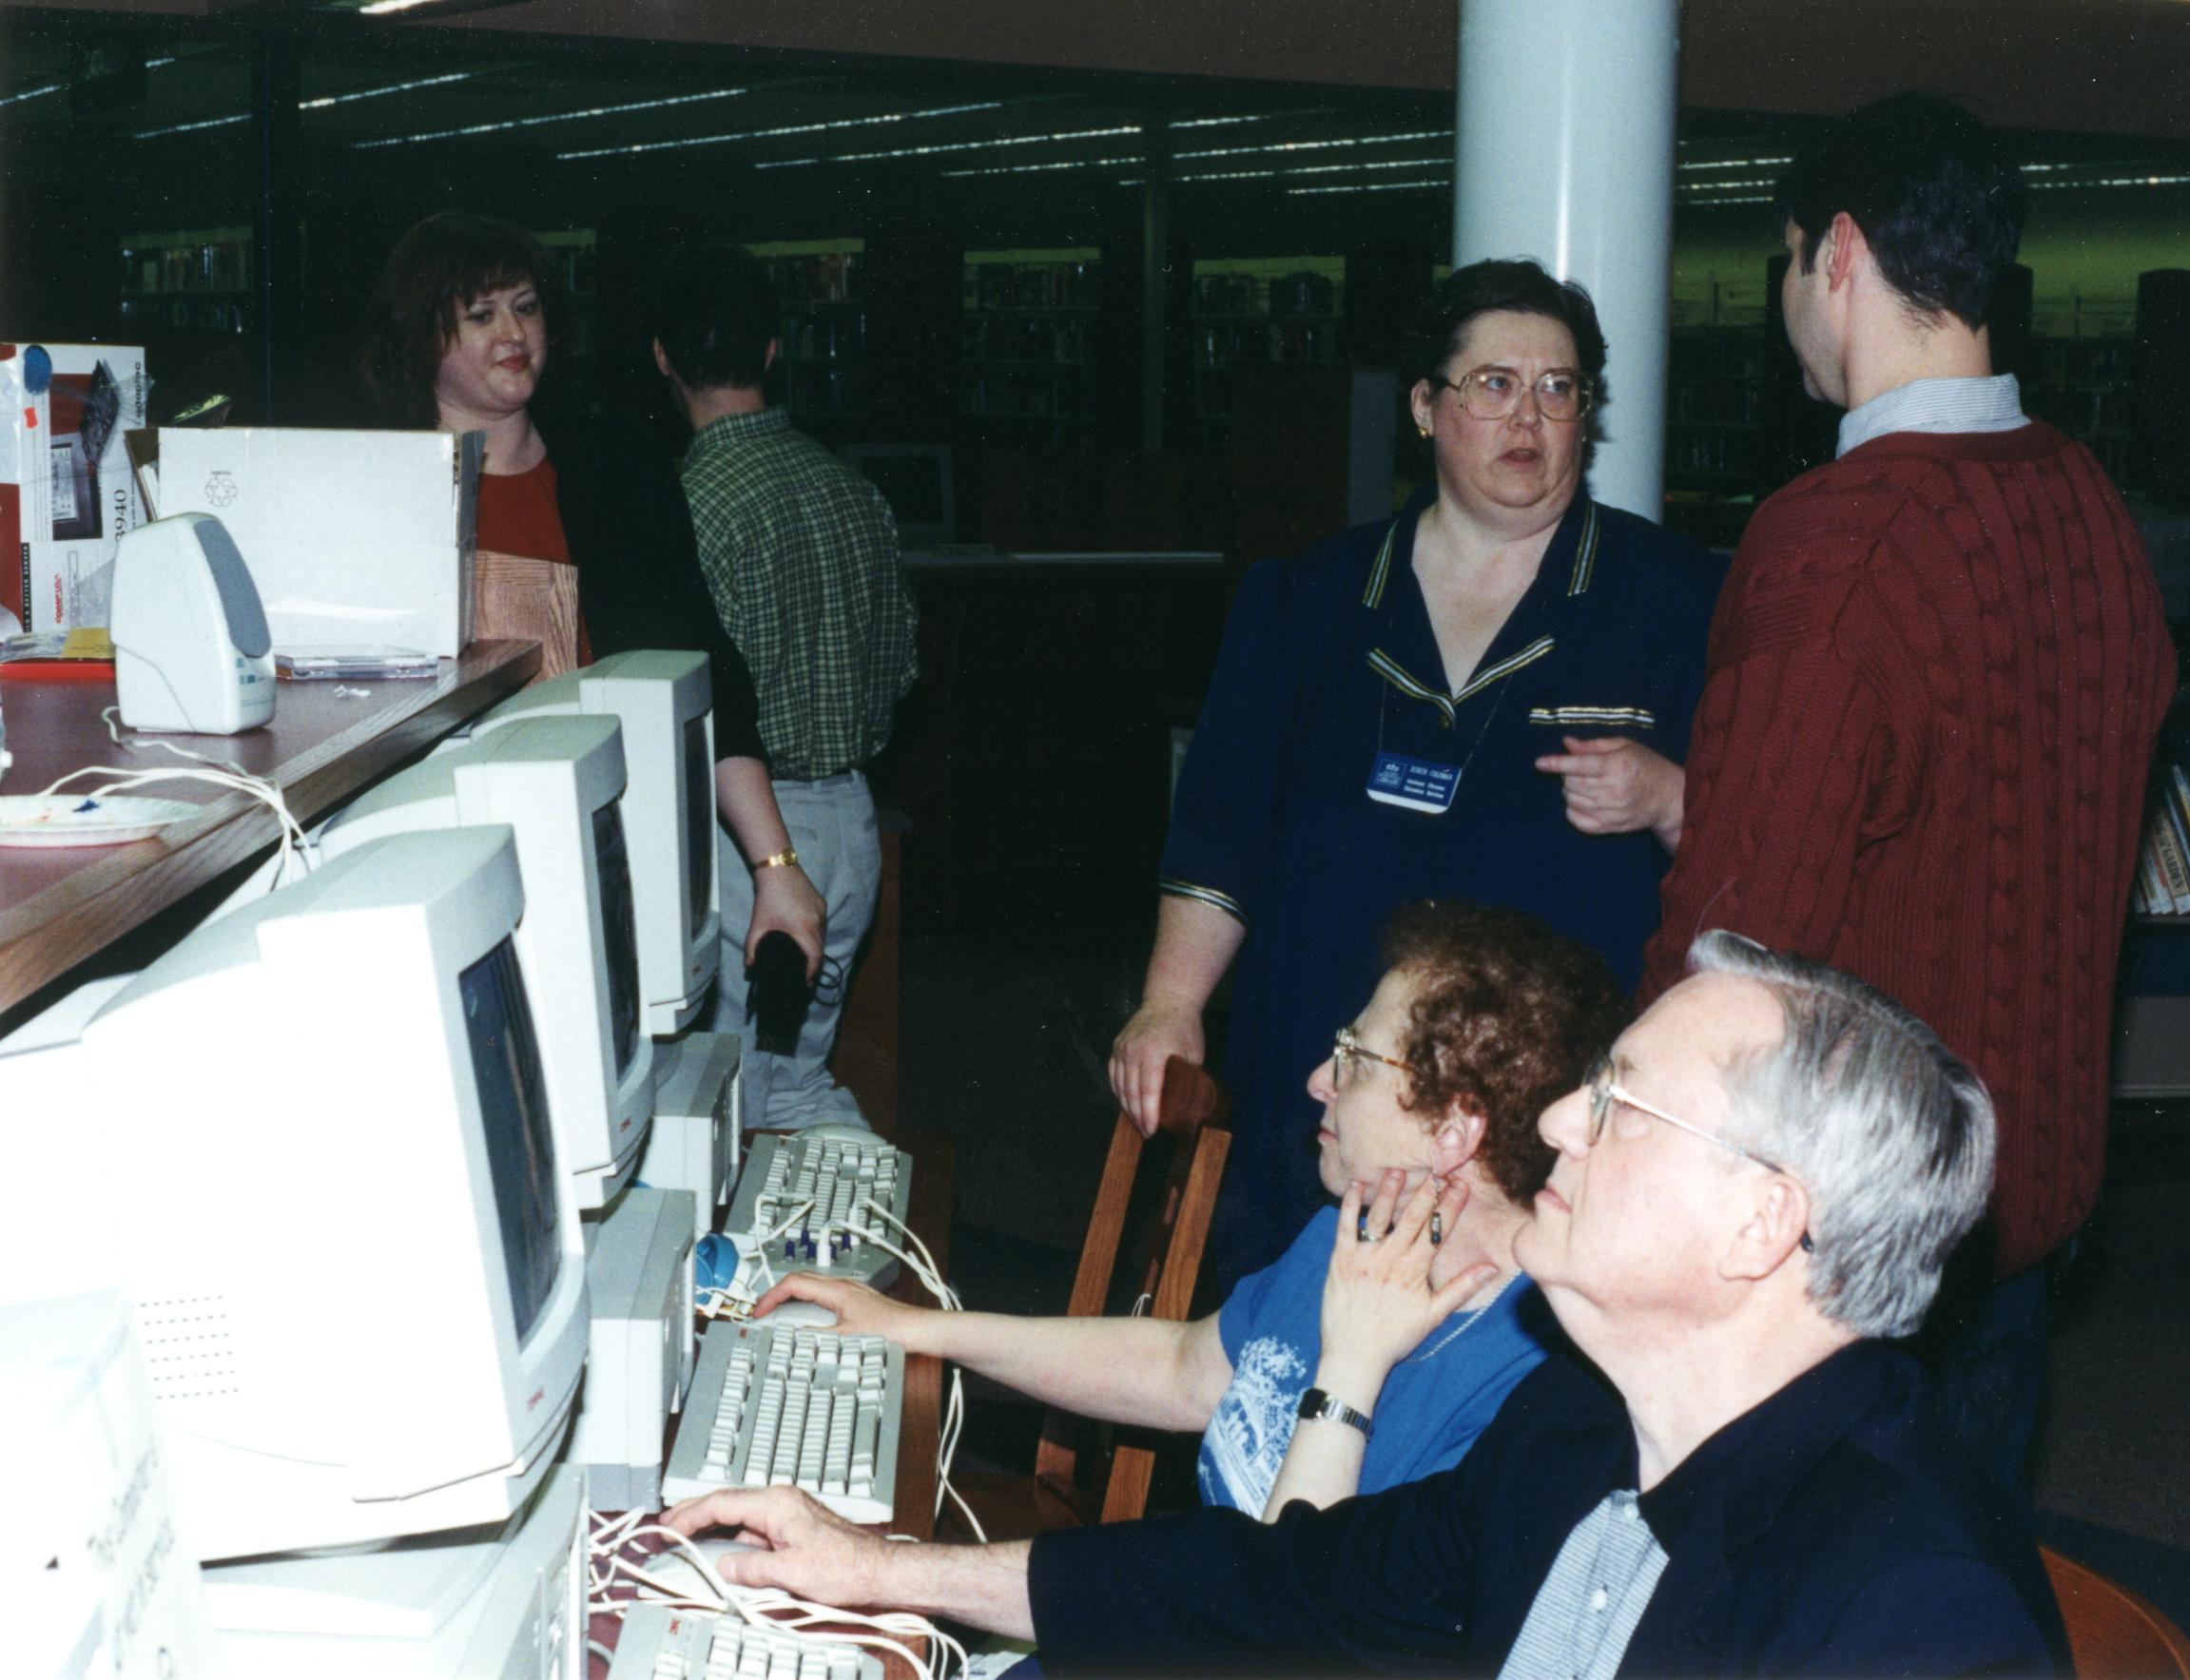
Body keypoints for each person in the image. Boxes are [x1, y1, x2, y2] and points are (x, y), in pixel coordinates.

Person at [664, 931, 2066, 1676]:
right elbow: (1283, 1583)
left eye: (1625, 1103)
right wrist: (878, 1567)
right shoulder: (1585, 1435)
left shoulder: (1917, 1608)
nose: (1565, 1115)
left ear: (1765, 1219)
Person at [1638, 93, 2178, 1487]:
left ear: (1837, 253)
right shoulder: (2090, 507)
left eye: (1783, 262)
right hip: (2021, 1203)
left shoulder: (1838, 536)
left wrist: (1617, 1136)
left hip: (1846, 1238)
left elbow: (1735, 937)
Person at [1113, 259, 1724, 1286]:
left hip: (1544, 1101)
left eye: (1558, 389)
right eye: (1492, 384)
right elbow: (1220, 830)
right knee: (1286, 1349)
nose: (1528, 416)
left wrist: (1670, 797)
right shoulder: (1305, 601)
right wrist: (1169, 1002)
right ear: (1423, 407)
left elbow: (1760, 834)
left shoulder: (1679, 601)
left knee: (1504, 1392)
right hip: (1319, 1070)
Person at [750, 901, 1626, 1517]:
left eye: (1355, 1061)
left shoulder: (1526, 1395)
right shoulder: (1360, 1233)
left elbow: (1289, 1630)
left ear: (1454, 1130)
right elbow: (1178, 1368)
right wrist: (918, 1327)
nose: (1319, 1081)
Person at [360, 212, 826, 982]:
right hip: (435, 859)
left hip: (610, 844)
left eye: (527, 305)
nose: (514, 331)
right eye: (481, 315)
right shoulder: (374, 486)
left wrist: (775, 863)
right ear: (420, 339)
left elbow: (705, 663)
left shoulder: (617, 468)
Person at [649, 249, 921, 1132]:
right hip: (850, 819)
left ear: (662, 357)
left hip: (748, 838)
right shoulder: (855, 490)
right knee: (791, 1081)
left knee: (715, 1100)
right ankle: (853, 1244)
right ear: (772, 351)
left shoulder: (686, 505)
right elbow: (904, 665)